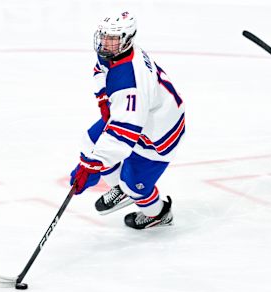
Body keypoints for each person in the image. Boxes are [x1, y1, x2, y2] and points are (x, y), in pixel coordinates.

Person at [70, 11, 185, 230]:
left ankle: (158, 214)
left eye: (112, 38)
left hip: (158, 133)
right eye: (104, 36)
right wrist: (103, 97)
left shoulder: (131, 81)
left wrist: (90, 167)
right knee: (90, 143)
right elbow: (100, 70)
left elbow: (123, 135)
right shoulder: (114, 52)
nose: (106, 43)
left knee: (136, 187)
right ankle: (120, 189)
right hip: (135, 117)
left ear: (127, 38)